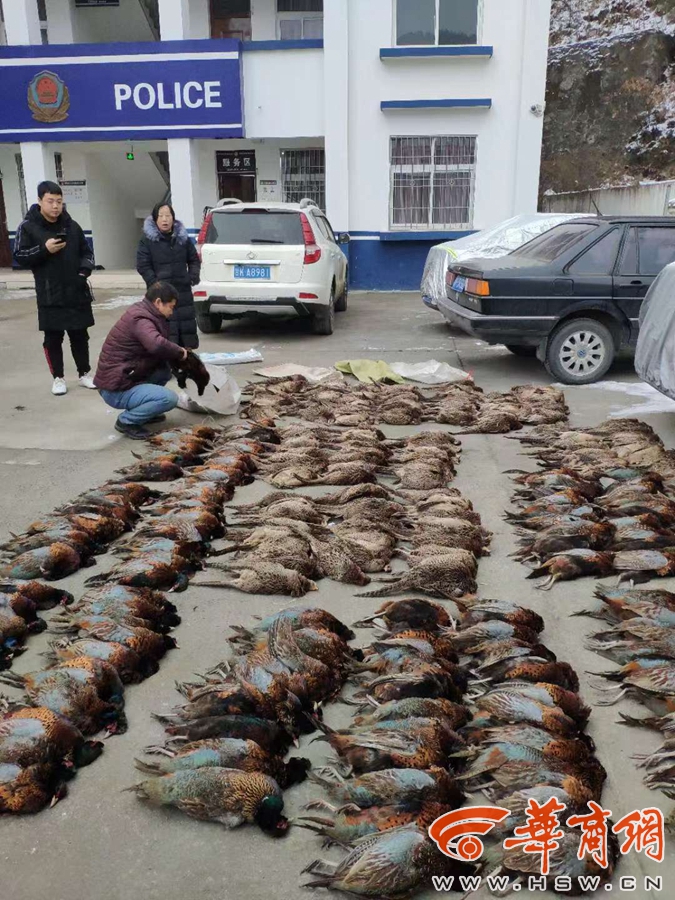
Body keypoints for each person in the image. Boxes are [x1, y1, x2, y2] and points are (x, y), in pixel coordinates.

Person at [14, 180, 96, 396]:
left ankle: (84, 373)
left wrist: (83, 273)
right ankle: (58, 378)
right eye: (50, 201)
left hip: (76, 290)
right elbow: (19, 256)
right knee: (53, 339)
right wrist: (44, 249)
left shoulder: (72, 226)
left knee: (80, 335)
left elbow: (87, 253)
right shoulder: (28, 227)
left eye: (59, 201)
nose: (55, 206)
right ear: (40, 201)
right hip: (50, 293)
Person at [94, 282, 188, 440]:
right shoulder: (140, 319)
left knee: (163, 371)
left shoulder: (145, 312)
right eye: (171, 307)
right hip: (115, 388)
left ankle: (146, 411)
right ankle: (127, 421)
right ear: (158, 302)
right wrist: (180, 352)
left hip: (125, 376)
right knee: (169, 399)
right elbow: (156, 344)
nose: (172, 312)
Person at [136, 202, 201, 350]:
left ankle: (186, 358)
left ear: (173, 218)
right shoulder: (147, 241)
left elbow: (193, 259)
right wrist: (156, 285)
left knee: (186, 333)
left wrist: (192, 276)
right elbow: (143, 266)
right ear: (155, 219)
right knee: (165, 333)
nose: (165, 219)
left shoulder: (182, 239)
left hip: (183, 293)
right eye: (161, 216)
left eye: (168, 215)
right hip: (160, 295)